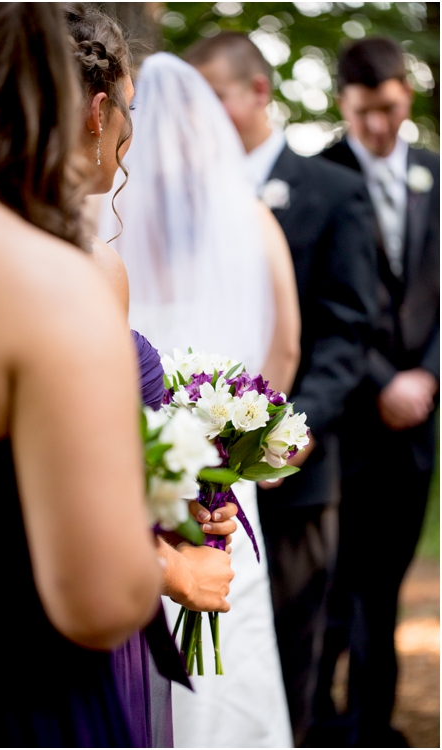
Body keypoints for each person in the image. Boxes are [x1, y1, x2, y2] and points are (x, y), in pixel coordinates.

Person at [0, 3, 164, 746]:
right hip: (34, 674)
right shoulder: (73, 277)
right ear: (98, 111)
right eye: (130, 109)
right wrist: (166, 554)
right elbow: (101, 598)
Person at [186, 32, 379, 745]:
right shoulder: (164, 198)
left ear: (258, 92)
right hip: (185, 475)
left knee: (290, 654)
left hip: (293, 472)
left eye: (213, 98)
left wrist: (287, 431)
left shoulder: (333, 191)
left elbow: (346, 331)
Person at [103, 50, 297, 748]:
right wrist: (253, 440)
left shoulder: (113, 223)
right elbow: (287, 350)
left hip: (139, 476)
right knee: (234, 635)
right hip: (226, 483)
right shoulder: (255, 218)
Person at [65, 8, 240, 747]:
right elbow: (58, 477)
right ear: (99, 111)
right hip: (88, 606)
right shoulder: (84, 267)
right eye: (130, 109)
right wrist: (170, 569)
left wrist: (179, 500)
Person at [314, 37, 439, 747]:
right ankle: (315, 723)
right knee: (331, 586)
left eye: (388, 110)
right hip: (342, 421)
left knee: (384, 586)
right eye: (363, 114)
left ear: (406, 96)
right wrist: (382, 381)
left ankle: (373, 726)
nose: (377, 128)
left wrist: (427, 376)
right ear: (343, 105)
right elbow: (312, 301)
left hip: (417, 420)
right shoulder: (316, 177)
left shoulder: (436, 174)